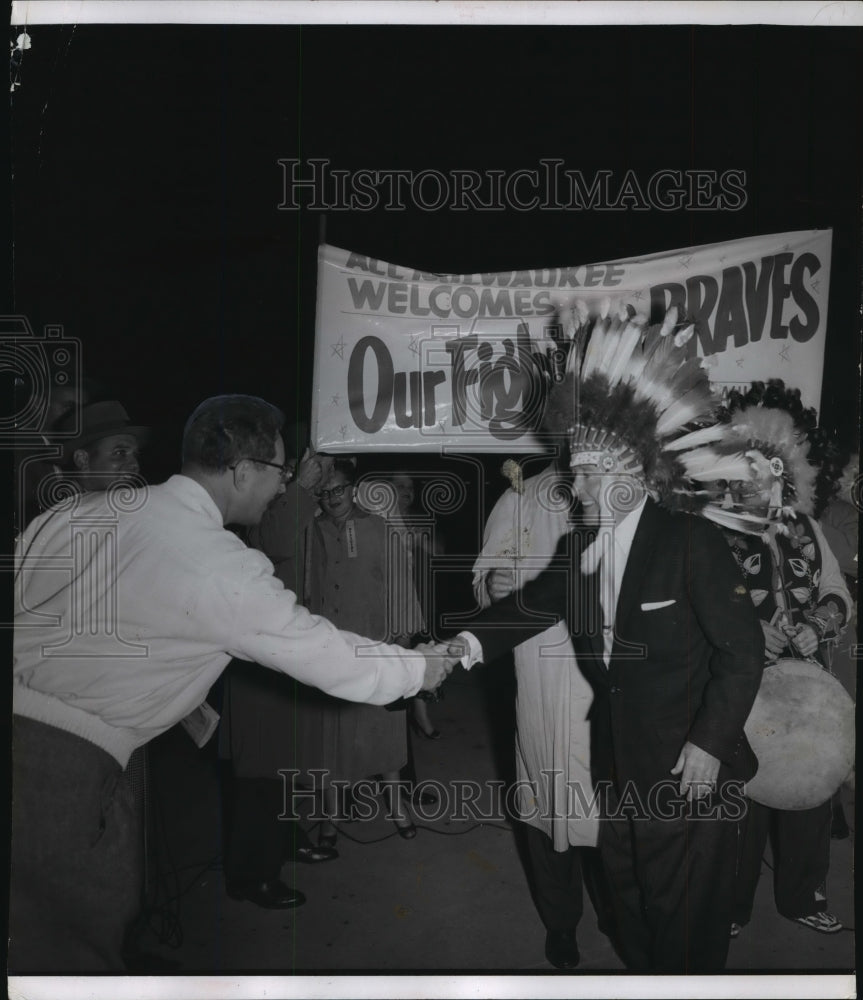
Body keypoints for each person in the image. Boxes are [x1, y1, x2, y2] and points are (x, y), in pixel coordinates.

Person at [10, 394, 451, 972]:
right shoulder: (220, 562)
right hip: (64, 769)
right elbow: (324, 653)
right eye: (281, 471)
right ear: (244, 471)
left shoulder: (74, 515)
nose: (284, 486)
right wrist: (421, 668)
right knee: (66, 954)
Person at [440, 306, 765, 972]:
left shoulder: (689, 541)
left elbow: (740, 653)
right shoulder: (579, 545)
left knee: (683, 924)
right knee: (629, 909)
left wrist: (707, 744)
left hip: (685, 773)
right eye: (576, 469)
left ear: (636, 478)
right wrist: (451, 652)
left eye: (589, 474)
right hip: (614, 771)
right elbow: (523, 610)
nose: (575, 485)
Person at [711, 382, 853, 937]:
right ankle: (731, 905)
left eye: (761, 469)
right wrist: (747, 631)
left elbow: (840, 592)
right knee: (740, 805)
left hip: (809, 693)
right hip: (742, 693)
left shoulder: (810, 530)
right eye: (739, 470)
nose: (749, 482)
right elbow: (700, 610)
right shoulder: (712, 533)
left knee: (810, 794)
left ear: (782, 469)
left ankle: (801, 896)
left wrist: (819, 622)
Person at [472, 457, 606, 970]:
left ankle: (617, 908)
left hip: (610, 677)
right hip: (545, 673)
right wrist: (495, 587)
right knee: (549, 805)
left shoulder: (623, 487)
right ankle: (562, 922)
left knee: (615, 809)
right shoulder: (521, 495)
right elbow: (486, 572)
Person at [54, 399, 147, 491]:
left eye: (135, 455)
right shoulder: (65, 504)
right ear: (82, 460)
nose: (135, 465)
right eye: (120, 453)